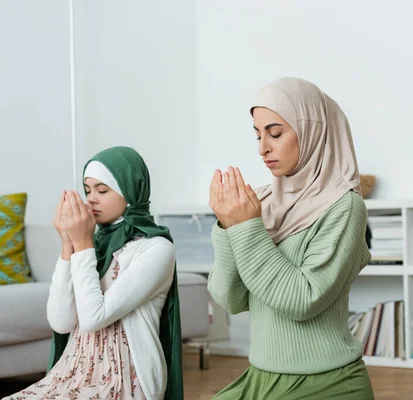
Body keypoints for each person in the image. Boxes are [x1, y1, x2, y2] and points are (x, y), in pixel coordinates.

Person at [208, 77, 375, 399]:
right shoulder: (263, 204)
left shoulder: (345, 206)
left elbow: (302, 300)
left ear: (314, 131)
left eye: (275, 133)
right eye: (257, 135)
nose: (263, 148)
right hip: (261, 376)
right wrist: (228, 227)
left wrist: (245, 227)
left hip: (328, 383)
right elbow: (230, 299)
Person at [4, 146, 183, 400]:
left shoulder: (156, 249)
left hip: (124, 380)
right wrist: (68, 245)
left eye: (102, 190)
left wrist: (83, 244)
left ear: (131, 189)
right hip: (73, 372)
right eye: (88, 190)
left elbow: (93, 318)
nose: (92, 199)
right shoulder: (90, 246)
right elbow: (61, 323)